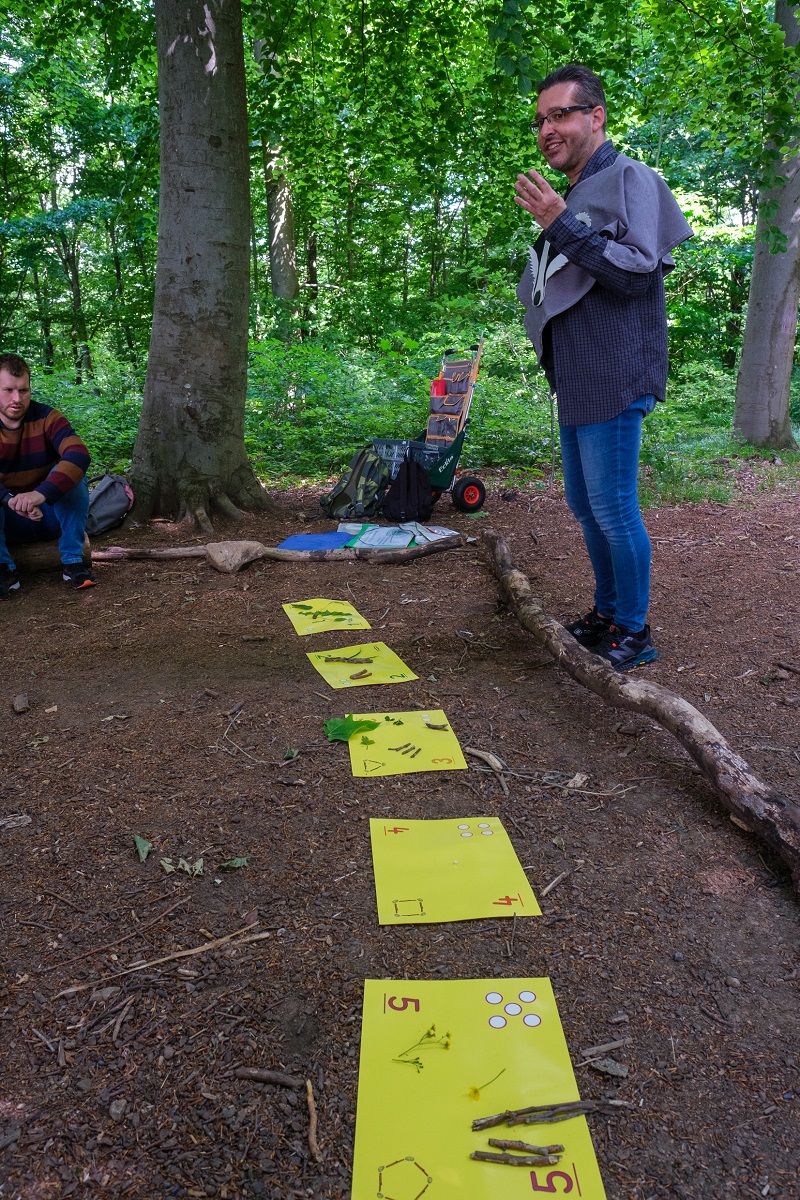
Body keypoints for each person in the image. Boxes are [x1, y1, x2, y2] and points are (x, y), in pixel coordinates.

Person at [514, 64, 692, 671]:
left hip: (617, 371)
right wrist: (558, 224)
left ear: (596, 116)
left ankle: (634, 631)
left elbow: (634, 273)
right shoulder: (578, 193)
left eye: (560, 114)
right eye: (540, 119)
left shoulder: (630, 179)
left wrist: (558, 223)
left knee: (615, 509)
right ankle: (609, 613)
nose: (547, 128)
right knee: (587, 508)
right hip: (579, 377)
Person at [0, 352, 97, 597]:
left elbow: (79, 453)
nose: (17, 398)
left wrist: (40, 494)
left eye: (23, 390)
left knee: (73, 473)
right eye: (8, 390)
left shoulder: (47, 417)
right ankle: (4, 569)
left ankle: (73, 562)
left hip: (49, 515)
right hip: (7, 521)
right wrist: (9, 499)